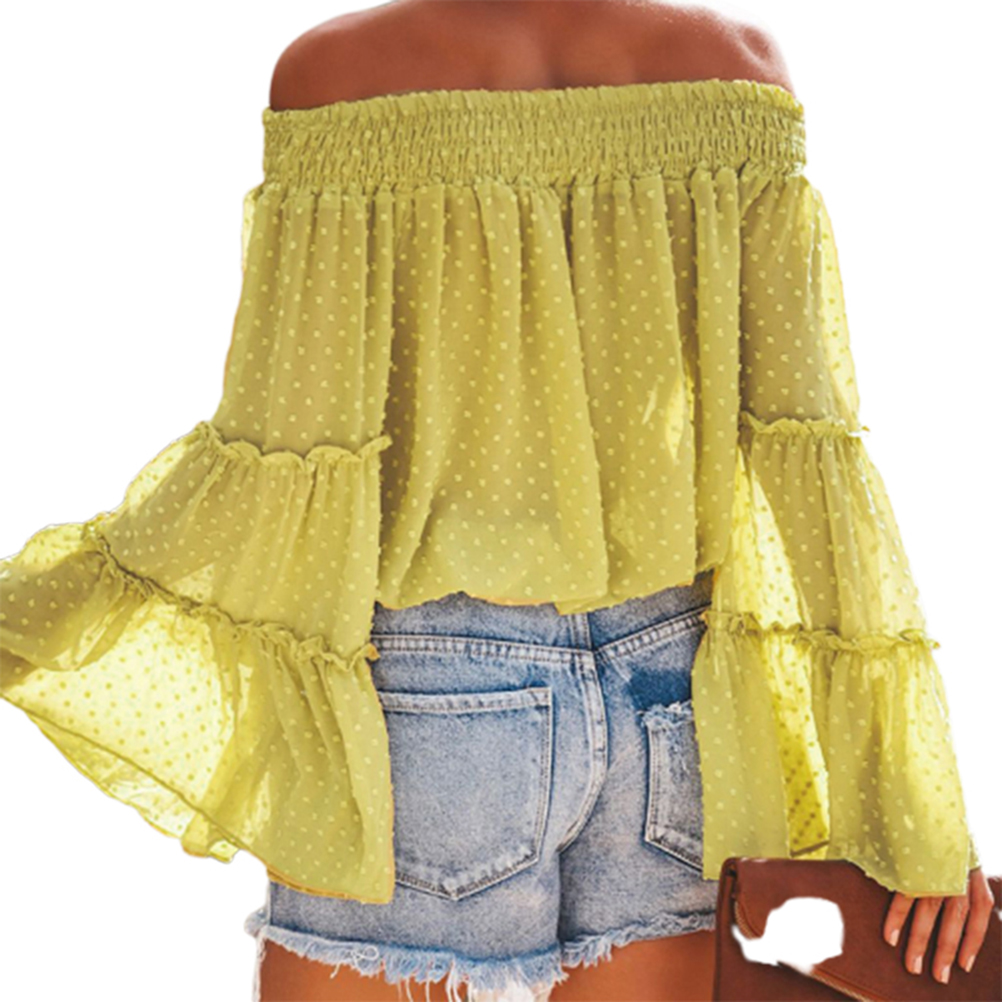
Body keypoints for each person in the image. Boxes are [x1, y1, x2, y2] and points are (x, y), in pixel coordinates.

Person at [0, 3, 992, 1002]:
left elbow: (286, 459)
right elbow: (806, 464)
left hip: (425, 715)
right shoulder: (738, 75)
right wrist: (916, 809)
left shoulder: (338, 80)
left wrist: (40, 609)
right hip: (677, 709)